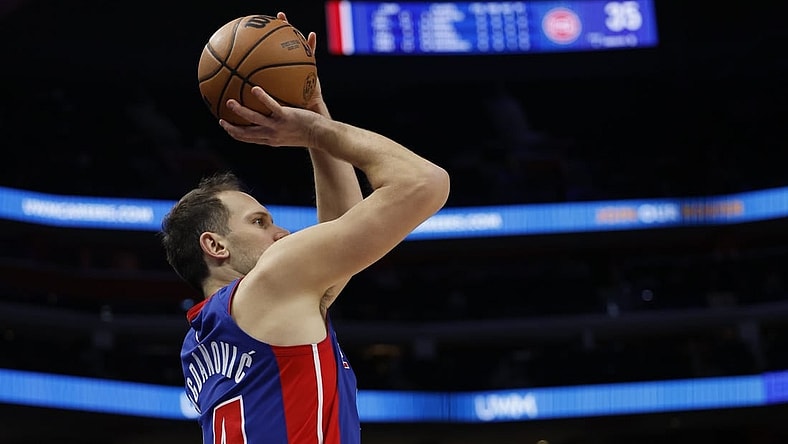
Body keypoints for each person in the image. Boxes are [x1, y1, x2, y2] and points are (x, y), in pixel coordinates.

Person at [159, 11, 450, 444]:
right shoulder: (272, 281)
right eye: (259, 222)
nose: (283, 235)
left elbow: (340, 233)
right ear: (214, 245)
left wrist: (316, 113)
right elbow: (425, 183)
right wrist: (315, 129)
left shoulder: (203, 339)